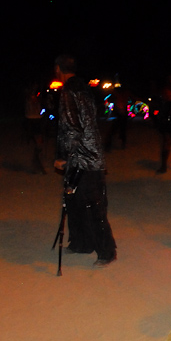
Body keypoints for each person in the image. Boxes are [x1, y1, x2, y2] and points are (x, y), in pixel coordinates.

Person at [53, 54, 117, 268]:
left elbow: (72, 128)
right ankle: (81, 243)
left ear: (58, 69)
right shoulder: (84, 89)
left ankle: (106, 251)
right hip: (88, 156)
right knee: (76, 202)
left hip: (83, 159)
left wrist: (63, 156)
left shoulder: (69, 91)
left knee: (92, 205)